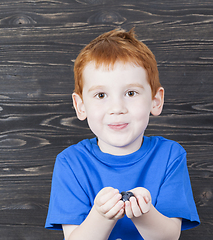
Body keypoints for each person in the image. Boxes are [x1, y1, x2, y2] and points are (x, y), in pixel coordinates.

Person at [45, 28, 200, 240]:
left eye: (130, 93)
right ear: (80, 106)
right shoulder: (70, 163)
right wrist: (101, 216)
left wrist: (144, 215)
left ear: (156, 101)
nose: (117, 108)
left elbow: (170, 236)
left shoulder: (170, 155)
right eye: (101, 95)